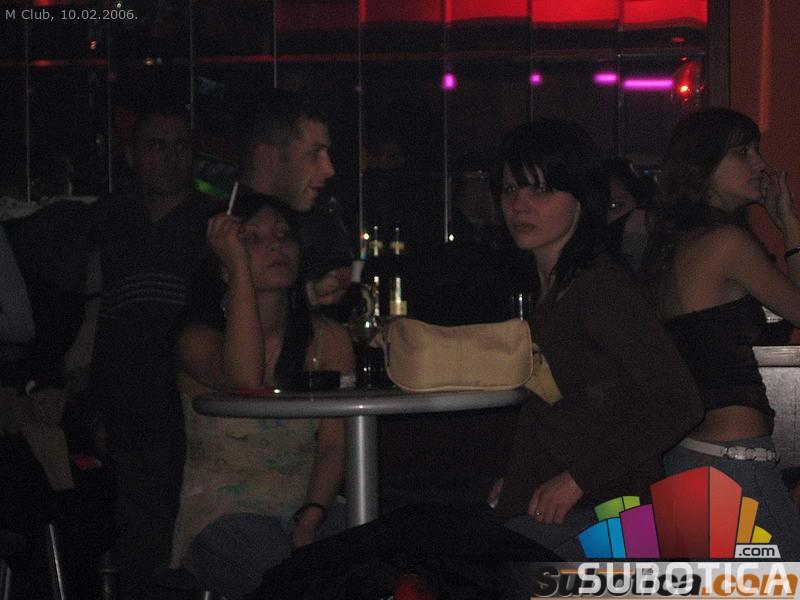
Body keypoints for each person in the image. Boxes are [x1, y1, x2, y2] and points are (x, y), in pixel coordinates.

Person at [487, 119, 703, 563]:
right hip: (574, 510)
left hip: (611, 514)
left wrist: (575, 480)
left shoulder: (599, 287)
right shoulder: (549, 289)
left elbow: (679, 402)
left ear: (581, 200)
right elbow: (557, 413)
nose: (520, 204)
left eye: (542, 189)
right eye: (510, 189)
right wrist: (520, 482)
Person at [171, 194, 353, 598]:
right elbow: (245, 378)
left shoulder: (328, 339)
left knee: (378, 555)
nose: (275, 246)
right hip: (223, 515)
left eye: (284, 235)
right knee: (282, 572)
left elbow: (333, 446)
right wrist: (238, 267)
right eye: (252, 238)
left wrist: (310, 517)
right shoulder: (197, 338)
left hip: (311, 506)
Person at [641, 107, 800, 558]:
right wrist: (790, 227)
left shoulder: (677, 245)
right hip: (734, 462)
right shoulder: (725, 243)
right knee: (788, 585)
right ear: (704, 166)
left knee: (715, 588)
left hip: (688, 455)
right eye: (743, 153)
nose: (761, 165)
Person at [88, 106, 222, 599]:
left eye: (181, 146)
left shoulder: (214, 222)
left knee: (193, 535)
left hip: (195, 404)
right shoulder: (112, 218)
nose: (171, 157)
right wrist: (98, 405)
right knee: (139, 539)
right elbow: (104, 320)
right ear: (132, 156)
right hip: (131, 404)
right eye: (156, 146)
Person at [236, 89, 353, 308]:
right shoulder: (222, 231)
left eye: (282, 235)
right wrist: (305, 301)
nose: (329, 169)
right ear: (267, 158)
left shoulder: (319, 222)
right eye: (314, 153)